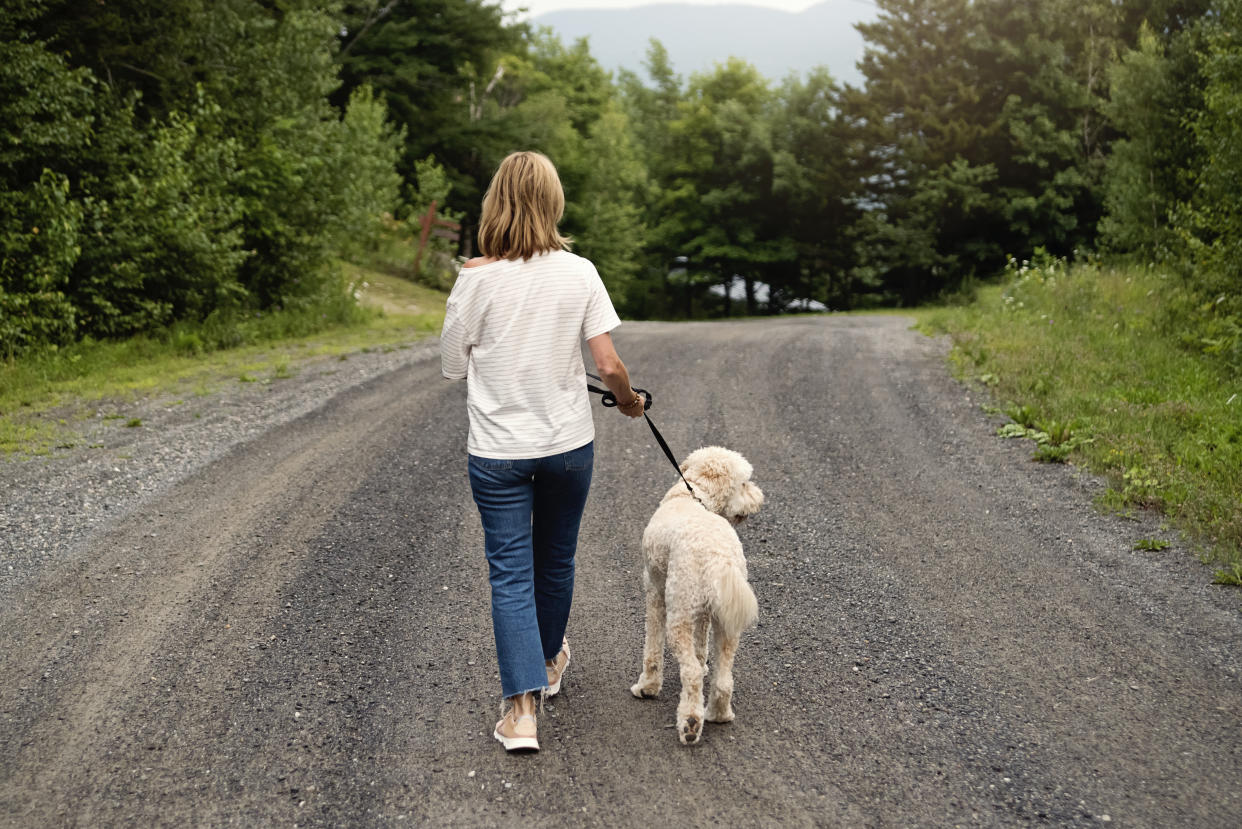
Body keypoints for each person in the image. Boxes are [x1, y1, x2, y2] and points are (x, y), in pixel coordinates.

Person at [440, 151, 644, 753]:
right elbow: (606, 364)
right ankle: (550, 665)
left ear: (494, 204)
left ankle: (521, 711)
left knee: (510, 572)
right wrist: (629, 402)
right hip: (566, 446)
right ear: (553, 202)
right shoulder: (579, 271)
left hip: (498, 452)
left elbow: (453, 365)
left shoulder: (474, 278)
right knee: (555, 561)